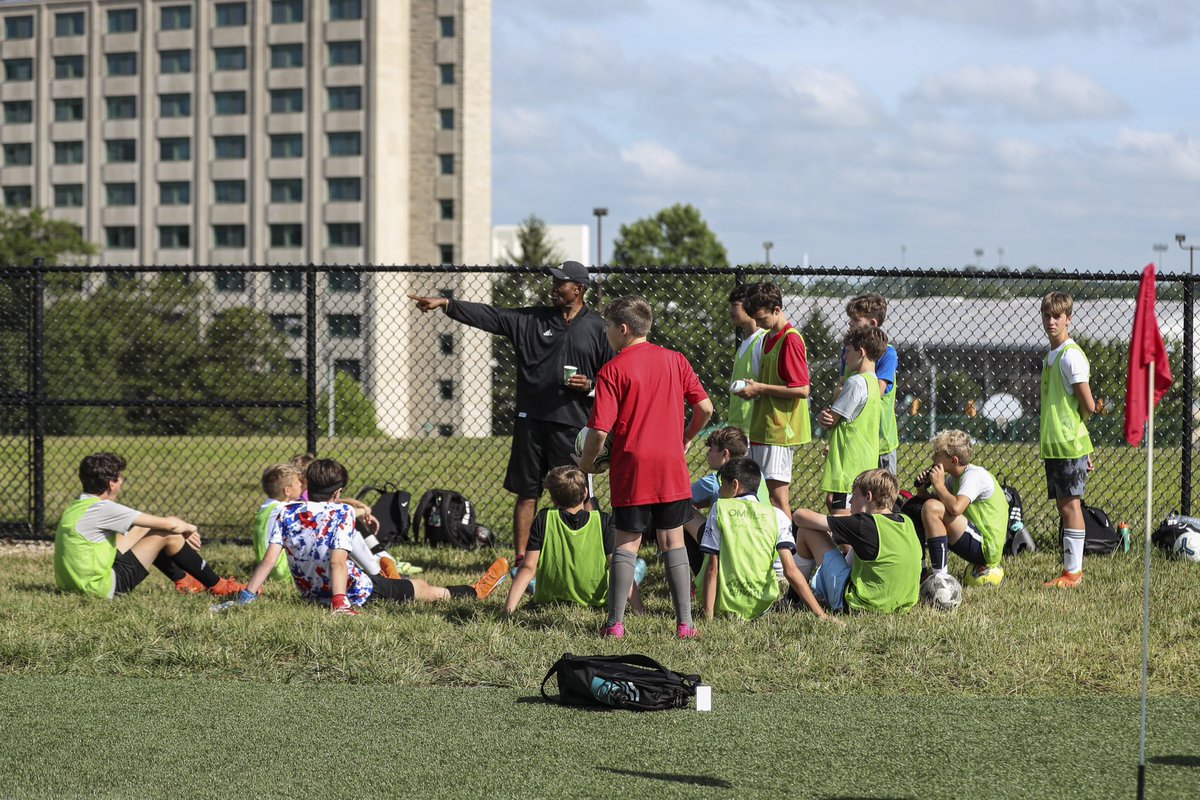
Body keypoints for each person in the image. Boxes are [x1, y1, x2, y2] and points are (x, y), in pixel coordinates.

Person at [407, 261, 613, 568]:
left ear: (579, 289)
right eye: (553, 282)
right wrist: (448, 304)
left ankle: (586, 555)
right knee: (527, 492)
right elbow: (493, 316)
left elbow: (612, 377)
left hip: (572, 424)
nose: (553, 288)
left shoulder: (598, 328)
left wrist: (591, 386)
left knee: (578, 494)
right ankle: (523, 559)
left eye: (561, 283)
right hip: (530, 421)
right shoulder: (532, 320)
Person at [578, 295, 713, 639]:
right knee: (673, 541)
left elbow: (598, 431)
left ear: (622, 329)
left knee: (627, 543)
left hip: (632, 465)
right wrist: (686, 436)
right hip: (670, 464)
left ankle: (615, 624)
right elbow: (706, 408)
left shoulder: (612, 369)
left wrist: (587, 462)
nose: (607, 332)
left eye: (608, 326)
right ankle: (685, 624)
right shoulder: (675, 360)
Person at [237, 459, 509, 613]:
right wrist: (340, 603)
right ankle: (475, 592)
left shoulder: (286, 512)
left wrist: (247, 595)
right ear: (337, 492)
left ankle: (389, 575)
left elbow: (270, 560)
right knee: (422, 587)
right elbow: (337, 563)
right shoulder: (341, 512)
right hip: (355, 591)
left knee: (396, 582)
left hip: (311, 594)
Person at [54, 452, 245, 599]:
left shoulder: (77, 505)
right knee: (166, 535)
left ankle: (187, 582)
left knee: (147, 527)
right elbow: (169, 525)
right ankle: (220, 586)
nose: (122, 481)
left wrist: (174, 524)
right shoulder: (102, 509)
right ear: (111, 483)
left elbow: (147, 525)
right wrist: (189, 528)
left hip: (74, 586)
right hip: (101, 589)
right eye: (120, 478)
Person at [696, 457, 831, 622]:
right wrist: (821, 614)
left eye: (722, 485)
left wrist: (707, 618)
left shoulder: (720, 508)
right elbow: (790, 570)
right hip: (761, 607)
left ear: (734, 485)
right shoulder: (778, 515)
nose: (720, 491)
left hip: (723, 606)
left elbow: (712, 569)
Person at [792, 468, 921, 615]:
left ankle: (792, 597)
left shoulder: (863, 523)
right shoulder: (906, 522)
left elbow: (799, 516)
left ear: (868, 496)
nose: (851, 501)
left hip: (860, 606)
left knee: (807, 531)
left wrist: (841, 521)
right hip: (901, 606)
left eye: (853, 496)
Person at [504, 465, 628, 615]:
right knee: (637, 565)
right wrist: (639, 610)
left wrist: (508, 611)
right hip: (595, 603)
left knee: (518, 570)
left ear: (553, 498)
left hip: (548, 600)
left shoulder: (544, 518)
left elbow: (528, 568)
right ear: (585, 493)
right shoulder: (602, 521)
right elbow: (618, 568)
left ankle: (533, 587)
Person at [736, 281, 811, 515]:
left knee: (778, 499)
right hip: (763, 426)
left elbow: (802, 389)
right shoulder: (768, 337)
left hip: (780, 430)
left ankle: (787, 551)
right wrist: (753, 390)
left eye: (761, 318)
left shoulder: (791, 339)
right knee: (759, 494)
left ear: (777, 310)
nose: (757, 324)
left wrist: (761, 389)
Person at [1039, 292, 1095, 588]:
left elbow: (1089, 404)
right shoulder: (1051, 356)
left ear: (1068, 319)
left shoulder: (1071, 356)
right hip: (1056, 446)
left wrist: (1079, 440)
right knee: (1065, 505)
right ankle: (1069, 569)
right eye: (1047, 315)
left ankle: (1073, 572)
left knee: (1071, 506)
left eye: (1057, 316)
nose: (1051, 321)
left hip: (1069, 444)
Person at [909, 430, 1008, 587]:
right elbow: (938, 505)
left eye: (937, 454)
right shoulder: (954, 478)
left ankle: (941, 579)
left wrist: (939, 485)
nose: (933, 458)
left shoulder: (974, 476)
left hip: (986, 548)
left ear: (953, 460)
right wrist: (922, 491)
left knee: (930, 508)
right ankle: (921, 571)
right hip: (971, 535)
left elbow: (955, 508)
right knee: (914, 506)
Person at [819, 326, 886, 516]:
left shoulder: (855, 382)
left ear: (862, 352)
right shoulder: (874, 382)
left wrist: (824, 415)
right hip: (865, 462)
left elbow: (832, 419)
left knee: (843, 527)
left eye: (847, 351)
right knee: (837, 505)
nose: (844, 357)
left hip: (847, 467)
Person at [682, 426, 767, 575]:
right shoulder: (756, 473)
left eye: (711, 450)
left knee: (682, 510)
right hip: (760, 550)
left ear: (725, 454)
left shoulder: (715, 481)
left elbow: (683, 498)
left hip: (730, 551)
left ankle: (699, 573)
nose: (708, 454)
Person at [841, 293, 900, 474]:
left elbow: (876, 392)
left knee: (882, 495)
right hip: (855, 438)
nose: (850, 324)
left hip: (880, 441)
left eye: (856, 320)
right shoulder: (850, 352)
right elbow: (840, 390)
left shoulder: (887, 355)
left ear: (872, 323)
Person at [726, 284, 767, 433]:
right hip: (739, 429)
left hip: (755, 429)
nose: (731, 311)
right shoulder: (745, 343)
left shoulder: (762, 340)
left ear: (749, 305)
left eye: (735, 305)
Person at [254, 463, 303, 585]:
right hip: (285, 572)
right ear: (287, 490)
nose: (301, 484)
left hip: (269, 570)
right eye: (297, 483)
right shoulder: (283, 509)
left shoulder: (265, 508)